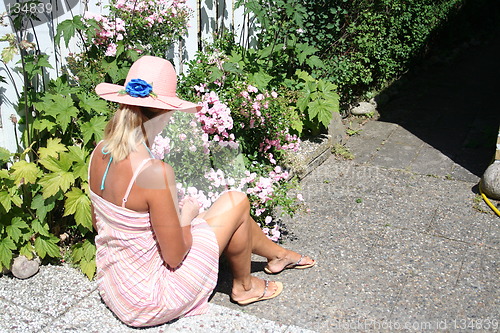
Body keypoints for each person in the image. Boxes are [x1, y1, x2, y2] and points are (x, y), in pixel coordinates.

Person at [88, 55, 315, 327]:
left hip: (116, 285)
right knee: (237, 201)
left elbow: (98, 225)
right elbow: (174, 257)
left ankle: (276, 256)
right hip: (151, 297)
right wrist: (186, 216)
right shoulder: (154, 172)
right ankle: (246, 285)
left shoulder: (98, 152)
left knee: (230, 215)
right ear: (164, 113)